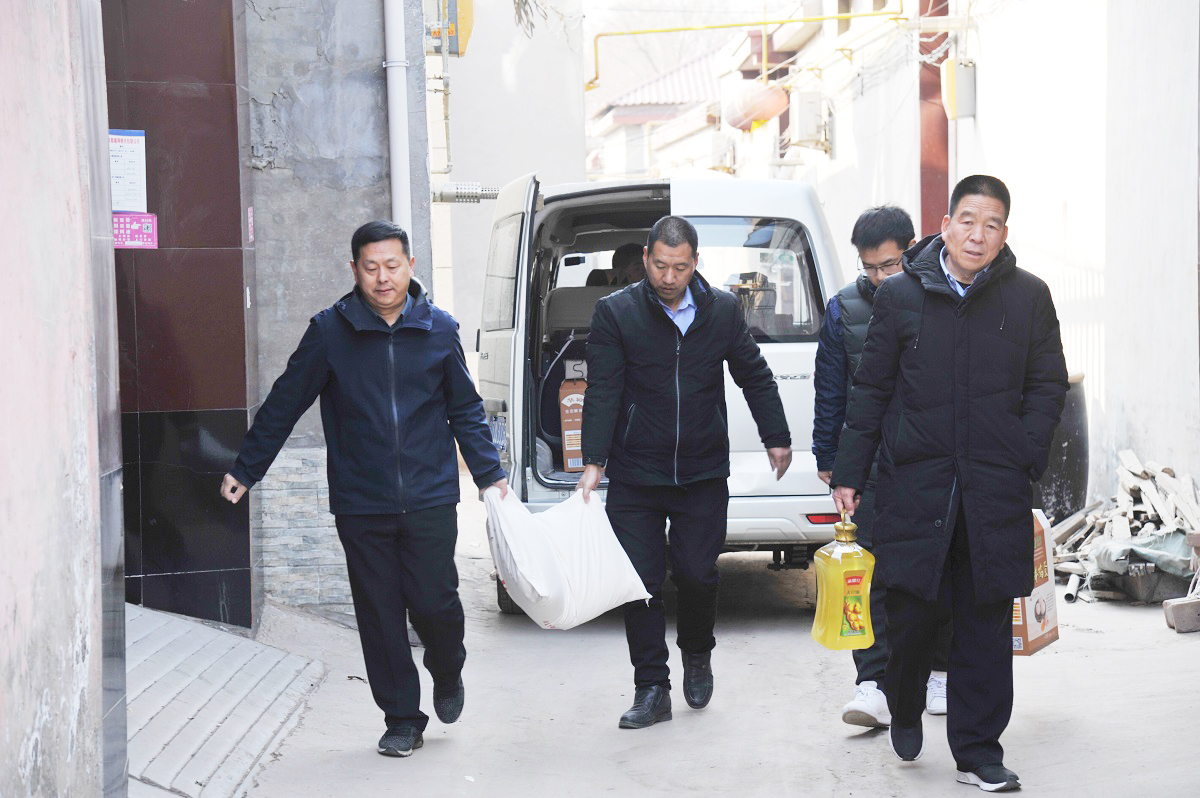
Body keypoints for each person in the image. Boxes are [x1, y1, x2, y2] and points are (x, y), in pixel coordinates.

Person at [219, 221, 508, 758]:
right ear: (354, 270)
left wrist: (490, 475)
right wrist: (247, 468)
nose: (382, 278)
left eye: (392, 266)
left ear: (410, 266)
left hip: (429, 495)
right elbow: (285, 401)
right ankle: (402, 718)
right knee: (379, 612)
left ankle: (447, 667)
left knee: (436, 603)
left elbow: (466, 409)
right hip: (361, 500)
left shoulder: (440, 329)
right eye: (370, 267)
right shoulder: (331, 331)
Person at [831, 176, 1068, 793]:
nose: (977, 235)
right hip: (917, 482)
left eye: (991, 224)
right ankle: (904, 702)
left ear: (1004, 234)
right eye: (968, 220)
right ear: (945, 224)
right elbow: (872, 389)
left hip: (994, 488)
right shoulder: (901, 296)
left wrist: (1024, 453)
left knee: (985, 621)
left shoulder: (1028, 297)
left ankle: (979, 751)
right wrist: (850, 473)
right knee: (911, 614)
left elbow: (1048, 384)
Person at [577, 215, 793, 729]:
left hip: (701, 472)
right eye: (659, 265)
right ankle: (651, 688)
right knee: (640, 583)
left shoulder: (722, 310)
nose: (668, 277)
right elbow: (603, 389)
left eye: (679, 267)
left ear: (695, 262)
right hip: (636, 473)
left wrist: (777, 436)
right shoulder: (616, 313)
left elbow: (753, 374)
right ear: (645, 258)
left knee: (697, 574)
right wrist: (594, 461)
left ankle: (697, 651)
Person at [812, 206, 952, 729]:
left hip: (928, 461)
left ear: (910, 250)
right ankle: (872, 682)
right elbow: (831, 389)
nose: (878, 277)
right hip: (867, 463)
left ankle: (939, 671)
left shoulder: (938, 297)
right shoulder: (843, 309)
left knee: (934, 570)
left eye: (888, 265)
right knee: (863, 575)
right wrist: (830, 459)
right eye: (869, 267)